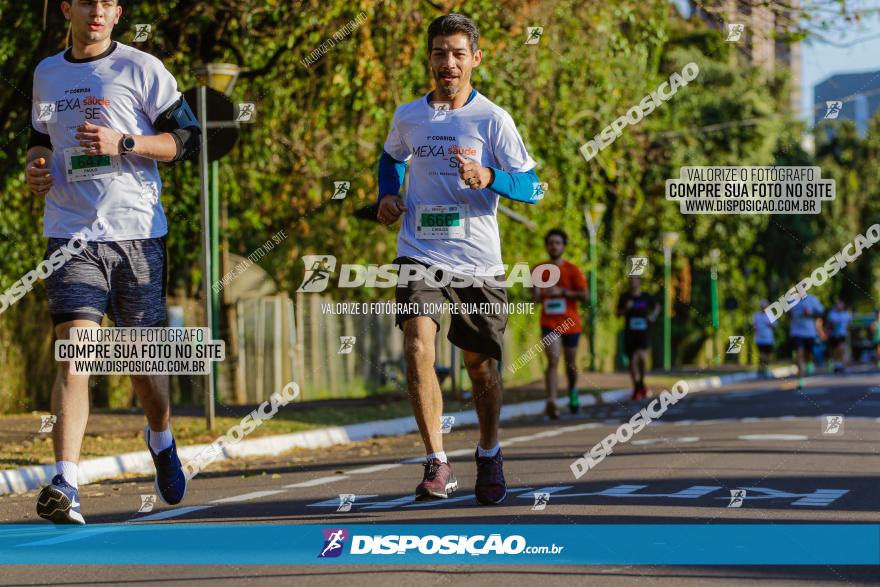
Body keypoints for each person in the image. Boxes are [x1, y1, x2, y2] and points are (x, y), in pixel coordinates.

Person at [27, 0, 200, 524]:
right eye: (87, 2)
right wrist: (35, 170)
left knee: (142, 368)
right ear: (67, 8)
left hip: (136, 233)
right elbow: (40, 140)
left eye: (107, 3)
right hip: (70, 233)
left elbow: (188, 140)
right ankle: (67, 482)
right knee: (74, 353)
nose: (96, 11)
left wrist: (123, 142)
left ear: (119, 12)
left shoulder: (142, 68)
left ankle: (161, 438)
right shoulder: (47, 73)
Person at [376, 13, 541, 504]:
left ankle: (489, 453)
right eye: (439, 53)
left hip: (477, 259)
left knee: (480, 367)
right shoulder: (409, 116)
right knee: (417, 346)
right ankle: (437, 460)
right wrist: (387, 194)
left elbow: (531, 187)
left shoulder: (493, 119)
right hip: (419, 249)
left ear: (475, 60)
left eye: (457, 53)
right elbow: (391, 158)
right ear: (429, 58)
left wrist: (490, 177)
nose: (447, 62)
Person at [532, 229, 588, 419]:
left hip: (571, 323)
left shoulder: (573, 270)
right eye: (551, 243)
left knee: (571, 363)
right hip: (549, 322)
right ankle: (552, 401)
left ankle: (573, 391)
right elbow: (535, 298)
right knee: (553, 361)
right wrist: (538, 295)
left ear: (563, 246)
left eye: (557, 243)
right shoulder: (538, 269)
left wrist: (563, 292)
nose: (554, 246)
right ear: (547, 246)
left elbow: (585, 296)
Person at [616, 276, 660, 400]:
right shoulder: (624, 297)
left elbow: (657, 306)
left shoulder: (646, 296)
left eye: (635, 280)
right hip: (630, 333)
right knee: (632, 362)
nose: (632, 282)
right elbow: (618, 314)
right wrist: (626, 309)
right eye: (630, 280)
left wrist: (653, 316)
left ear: (639, 282)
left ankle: (641, 382)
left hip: (643, 332)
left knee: (642, 358)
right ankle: (637, 387)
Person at [788, 293, 824, 390]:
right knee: (799, 355)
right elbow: (787, 316)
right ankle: (800, 381)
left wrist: (810, 314)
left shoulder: (812, 299)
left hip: (809, 333)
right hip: (796, 332)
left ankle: (810, 363)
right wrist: (789, 314)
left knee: (808, 355)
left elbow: (821, 313)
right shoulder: (790, 300)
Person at [825, 299, 852, 374]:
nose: (840, 306)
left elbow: (849, 324)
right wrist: (831, 326)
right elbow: (828, 325)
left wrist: (848, 329)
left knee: (841, 349)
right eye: (838, 304)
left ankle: (841, 365)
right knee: (834, 351)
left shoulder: (846, 314)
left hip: (842, 335)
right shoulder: (832, 314)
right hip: (833, 335)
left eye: (841, 304)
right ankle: (836, 364)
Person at [753, 299, 776, 376]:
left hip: (768, 339)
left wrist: (770, 324)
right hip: (760, 339)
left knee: (768, 356)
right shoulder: (756, 315)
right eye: (762, 306)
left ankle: (765, 369)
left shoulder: (771, 315)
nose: (763, 308)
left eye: (765, 306)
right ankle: (761, 370)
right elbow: (754, 326)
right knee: (761, 355)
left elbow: (775, 325)